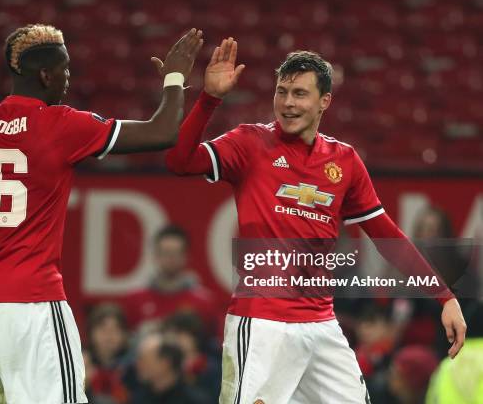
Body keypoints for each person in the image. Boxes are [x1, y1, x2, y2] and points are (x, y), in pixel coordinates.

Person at [164, 38, 467, 403]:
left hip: (321, 325)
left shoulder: (345, 161)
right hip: (262, 325)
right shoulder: (249, 143)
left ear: (325, 102)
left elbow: (387, 236)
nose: (288, 103)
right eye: (282, 92)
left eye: (300, 94)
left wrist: (444, 297)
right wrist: (209, 99)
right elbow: (180, 161)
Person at [0, 24, 203, 403]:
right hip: (32, 304)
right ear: (46, 75)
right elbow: (163, 132)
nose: (69, 77)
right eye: (65, 69)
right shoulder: (62, 124)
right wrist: (175, 78)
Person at [123, 225, 222, 337]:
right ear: (155, 256)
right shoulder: (135, 300)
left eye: (176, 253)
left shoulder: (205, 302)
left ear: (186, 256)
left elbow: (216, 346)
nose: (171, 258)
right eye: (166, 252)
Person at [132, 332, 210, 404]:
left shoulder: (195, 400)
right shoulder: (138, 397)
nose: (137, 365)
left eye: (143, 360)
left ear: (165, 363)